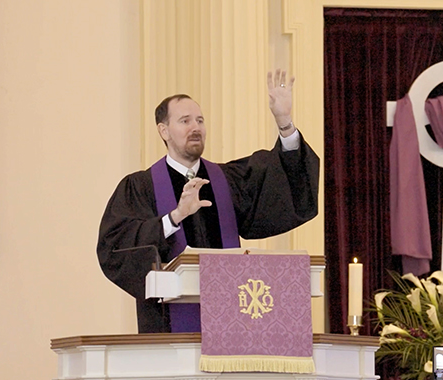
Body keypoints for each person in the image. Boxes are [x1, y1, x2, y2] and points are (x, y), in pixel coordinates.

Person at [97, 69, 319, 333]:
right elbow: (115, 247)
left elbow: (285, 182)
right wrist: (174, 217)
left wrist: (284, 122)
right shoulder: (140, 187)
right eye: (185, 121)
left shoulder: (227, 180)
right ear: (164, 130)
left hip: (231, 323)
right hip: (168, 329)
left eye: (200, 121)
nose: (196, 128)